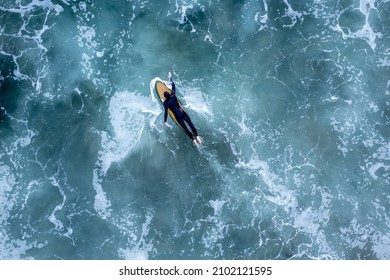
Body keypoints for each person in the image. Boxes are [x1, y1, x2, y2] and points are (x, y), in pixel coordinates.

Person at [163, 72, 202, 145]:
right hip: (182, 112)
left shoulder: (166, 103)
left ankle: (193, 139)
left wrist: (165, 121)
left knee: (185, 128)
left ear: (165, 97)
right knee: (190, 123)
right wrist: (170, 78)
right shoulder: (173, 96)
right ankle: (197, 136)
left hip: (177, 116)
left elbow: (166, 112)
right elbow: (173, 86)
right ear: (169, 94)